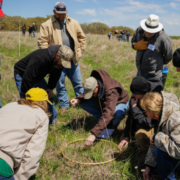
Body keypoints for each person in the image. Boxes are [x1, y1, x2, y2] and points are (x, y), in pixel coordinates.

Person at [38, 2, 86, 115]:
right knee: (60, 84)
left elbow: (82, 38)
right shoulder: (46, 25)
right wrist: (51, 56)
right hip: (58, 60)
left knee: (78, 83)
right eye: (59, 13)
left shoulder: (74, 22)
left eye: (63, 13)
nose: (61, 16)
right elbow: (42, 42)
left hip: (73, 59)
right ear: (54, 12)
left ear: (66, 12)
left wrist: (79, 51)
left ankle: (83, 102)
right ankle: (64, 105)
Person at [14, 45, 74, 124]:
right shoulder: (40, 58)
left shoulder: (59, 63)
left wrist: (50, 88)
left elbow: (55, 74)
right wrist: (28, 94)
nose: (63, 65)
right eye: (63, 62)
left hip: (37, 75)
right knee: (27, 101)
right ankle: (29, 123)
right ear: (57, 55)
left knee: (48, 96)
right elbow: (28, 77)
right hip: (23, 75)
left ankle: (52, 119)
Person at [0, 87, 51, 180]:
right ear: (43, 102)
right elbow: (33, 154)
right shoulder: (41, 116)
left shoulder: (9, 105)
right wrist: (18, 177)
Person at [70, 69, 129, 146]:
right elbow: (87, 91)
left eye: (92, 93)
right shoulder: (94, 83)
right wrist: (78, 99)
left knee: (118, 114)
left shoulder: (111, 91)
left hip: (119, 102)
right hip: (105, 104)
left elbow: (108, 112)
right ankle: (104, 122)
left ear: (97, 86)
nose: (91, 95)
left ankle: (113, 126)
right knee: (83, 103)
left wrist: (93, 134)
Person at [140, 92, 180, 180]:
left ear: (151, 110)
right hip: (175, 158)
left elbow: (178, 149)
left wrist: (158, 137)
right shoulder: (160, 118)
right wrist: (148, 166)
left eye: (145, 110)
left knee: (159, 150)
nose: (145, 113)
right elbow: (155, 142)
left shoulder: (175, 120)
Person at [118, 76, 163, 149]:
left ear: (143, 93)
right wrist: (126, 136)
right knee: (122, 138)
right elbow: (130, 118)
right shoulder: (135, 97)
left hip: (152, 126)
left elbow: (149, 123)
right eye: (132, 93)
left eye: (134, 93)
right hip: (141, 121)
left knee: (139, 136)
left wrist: (135, 108)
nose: (132, 95)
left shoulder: (153, 100)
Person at [131, 14, 173, 80]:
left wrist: (160, 62)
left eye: (151, 32)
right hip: (140, 72)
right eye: (146, 30)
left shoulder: (164, 38)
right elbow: (133, 41)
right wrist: (134, 45)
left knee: (153, 90)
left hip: (154, 76)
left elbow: (169, 55)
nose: (148, 33)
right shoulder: (139, 31)